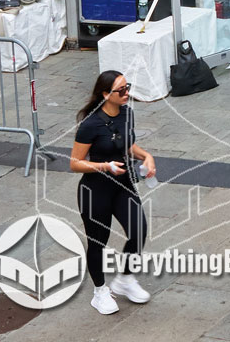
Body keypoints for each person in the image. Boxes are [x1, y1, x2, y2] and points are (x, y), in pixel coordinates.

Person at [70, 70, 154, 315]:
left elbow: (126, 144)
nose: (127, 93)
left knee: (138, 231)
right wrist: (104, 166)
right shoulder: (90, 124)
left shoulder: (127, 114)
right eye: (121, 90)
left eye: (128, 87)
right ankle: (100, 292)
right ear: (106, 94)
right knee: (98, 242)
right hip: (95, 190)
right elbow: (75, 162)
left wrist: (146, 156)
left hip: (124, 185)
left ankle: (125, 280)